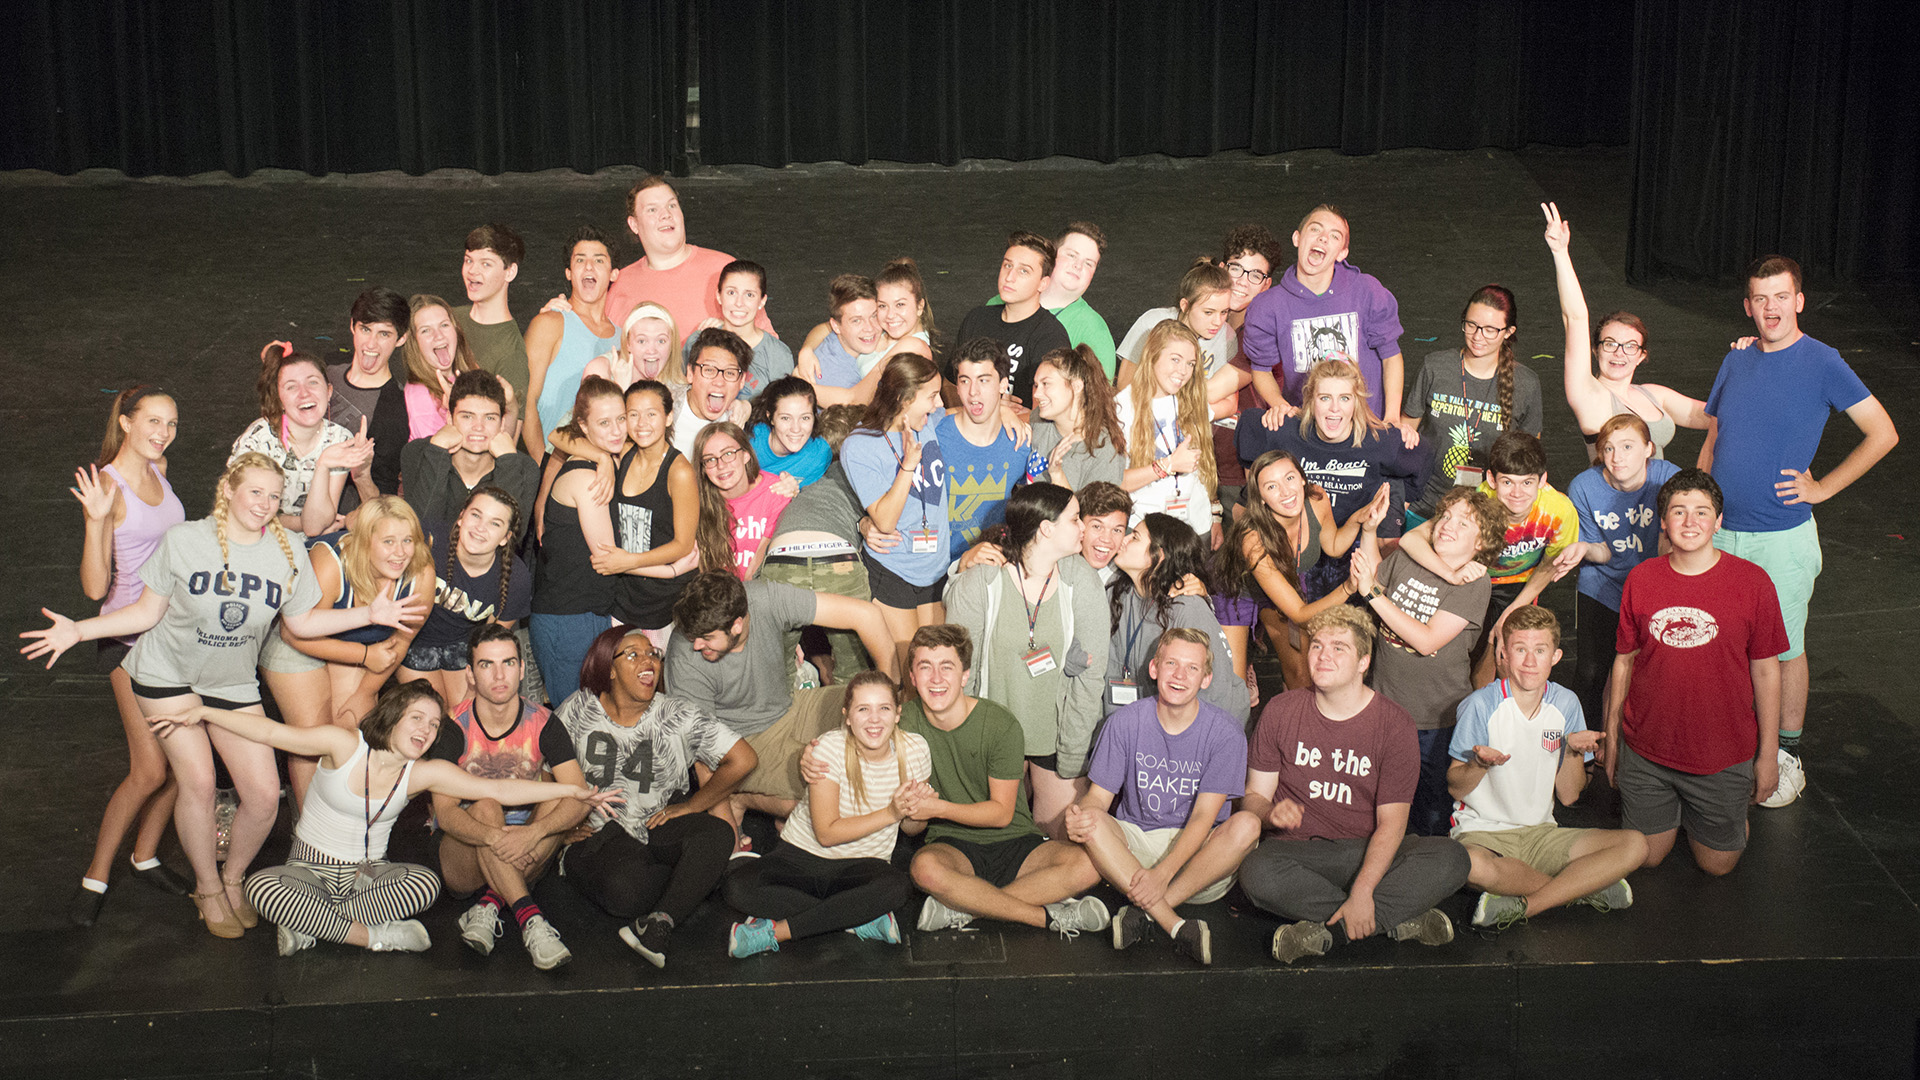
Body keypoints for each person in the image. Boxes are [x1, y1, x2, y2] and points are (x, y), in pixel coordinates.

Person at [22, 453, 424, 938]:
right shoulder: (185, 541)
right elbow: (146, 613)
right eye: (255, 491)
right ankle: (208, 886)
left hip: (231, 683)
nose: (264, 503)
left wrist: (369, 616)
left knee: (262, 795)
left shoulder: (290, 549)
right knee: (199, 781)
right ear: (229, 490)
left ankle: (234, 877)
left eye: (274, 496)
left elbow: (301, 624)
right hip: (166, 676)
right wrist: (79, 632)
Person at [145, 680, 617, 956]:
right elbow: (272, 731)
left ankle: (313, 926)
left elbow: (496, 789)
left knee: (425, 886)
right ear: (392, 716)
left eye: (433, 725)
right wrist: (204, 712)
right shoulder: (343, 744)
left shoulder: (423, 773)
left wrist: (571, 789)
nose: (425, 730)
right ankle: (373, 937)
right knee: (262, 888)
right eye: (417, 718)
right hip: (307, 870)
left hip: (367, 877)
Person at [1698, 254, 1899, 805]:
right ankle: (1732, 745)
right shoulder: (1736, 359)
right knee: (1717, 643)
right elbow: (1715, 437)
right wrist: (1694, 511)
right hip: (1719, 533)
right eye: (1760, 299)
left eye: (1781, 297)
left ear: (1799, 300)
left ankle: (1785, 754)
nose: (1770, 309)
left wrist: (1823, 489)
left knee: (1784, 649)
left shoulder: (1824, 361)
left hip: (1780, 536)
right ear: (1748, 306)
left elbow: (1883, 433)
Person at [1239, 607, 1470, 964]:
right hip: (1299, 855)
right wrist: (1269, 814)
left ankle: (1329, 933)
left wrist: (1363, 889)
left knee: (1452, 858)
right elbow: (1254, 797)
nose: (1323, 656)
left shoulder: (1394, 723)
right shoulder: (1281, 710)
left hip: (1367, 850)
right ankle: (1395, 918)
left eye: (1338, 648)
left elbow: (1392, 823)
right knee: (1255, 873)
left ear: (1364, 661)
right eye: (1316, 646)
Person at [851, 626, 1107, 938]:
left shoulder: (1000, 724)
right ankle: (1043, 917)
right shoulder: (902, 722)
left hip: (1014, 841)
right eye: (925, 667)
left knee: (1089, 865)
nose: (936, 678)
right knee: (924, 868)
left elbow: (1001, 814)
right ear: (912, 677)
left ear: (964, 676)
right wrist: (815, 754)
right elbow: (856, 738)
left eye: (947, 667)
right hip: (953, 846)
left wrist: (938, 807)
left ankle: (963, 906)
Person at [1607, 469, 1789, 875]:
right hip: (1648, 751)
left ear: (1719, 520)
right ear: (1664, 521)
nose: (1690, 523)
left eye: (1702, 512)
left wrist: (1768, 755)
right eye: (1679, 512)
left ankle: (1714, 809)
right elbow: (1624, 661)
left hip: (1720, 754)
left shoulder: (1753, 583)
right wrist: (1614, 737)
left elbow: (1766, 671)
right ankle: (1674, 808)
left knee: (1717, 866)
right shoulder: (1642, 578)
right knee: (1647, 858)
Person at [556, 628, 753, 968]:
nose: (648, 660)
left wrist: (693, 805)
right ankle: (692, 881)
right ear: (610, 667)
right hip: (601, 838)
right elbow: (547, 772)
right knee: (626, 893)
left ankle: (660, 920)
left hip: (656, 826)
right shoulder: (578, 708)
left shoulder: (677, 714)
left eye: (653, 654)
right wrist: (558, 829)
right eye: (633, 653)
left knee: (718, 833)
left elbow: (744, 759)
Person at [68, 387, 191, 927]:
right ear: (125, 422)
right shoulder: (108, 488)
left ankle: (145, 855)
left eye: (170, 422)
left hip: (176, 636)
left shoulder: (158, 467)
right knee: (150, 769)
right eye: (152, 421)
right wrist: (96, 521)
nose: (162, 432)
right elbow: (96, 588)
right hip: (127, 640)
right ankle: (94, 878)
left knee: (188, 770)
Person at [1066, 628, 1260, 965]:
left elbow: (1203, 819)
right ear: (1154, 668)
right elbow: (1098, 797)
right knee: (1092, 819)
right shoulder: (1125, 722)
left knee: (1247, 825)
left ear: (1206, 678)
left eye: (1192, 668)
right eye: (1171, 663)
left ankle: (1149, 911)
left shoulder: (1226, 732)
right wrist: (1080, 816)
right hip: (1135, 854)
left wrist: (1163, 876)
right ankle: (1174, 924)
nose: (1179, 675)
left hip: (1196, 864)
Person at [1449, 607, 1645, 930]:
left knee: (1636, 844)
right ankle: (1580, 888)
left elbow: (1568, 796)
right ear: (1504, 654)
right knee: (1469, 865)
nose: (1529, 661)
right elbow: (1455, 787)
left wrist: (1570, 750)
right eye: (1520, 649)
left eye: (1539, 651)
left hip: (1541, 834)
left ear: (1555, 656)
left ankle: (1527, 904)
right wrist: (1479, 764)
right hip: (1484, 834)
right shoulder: (1479, 705)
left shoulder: (1566, 704)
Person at [664, 572, 897, 841]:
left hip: (793, 707)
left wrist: (893, 692)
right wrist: (727, 833)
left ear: (737, 624)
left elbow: (867, 615)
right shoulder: (685, 657)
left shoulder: (762, 598)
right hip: (745, 744)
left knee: (874, 711)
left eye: (706, 637)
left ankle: (788, 816)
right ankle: (743, 798)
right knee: (835, 803)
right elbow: (704, 762)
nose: (696, 645)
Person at [724, 671, 932, 957]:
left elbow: (912, 830)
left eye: (883, 708)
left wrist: (918, 810)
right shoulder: (829, 748)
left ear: (897, 714)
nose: (874, 719)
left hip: (864, 863)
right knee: (737, 886)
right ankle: (856, 916)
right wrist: (891, 812)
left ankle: (776, 931)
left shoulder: (916, 750)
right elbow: (827, 834)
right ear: (847, 715)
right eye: (863, 709)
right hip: (801, 856)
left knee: (896, 888)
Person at [943, 483, 1105, 839]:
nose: (1084, 528)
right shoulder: (981, 580)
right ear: (1046, 529)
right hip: (994, 735)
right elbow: (958, 673)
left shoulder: (1083, 581)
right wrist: (968, 745)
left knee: (1059, 838)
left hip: (1055, 734)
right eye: (1076, 519)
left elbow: (1089, 680)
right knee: (1000, 837)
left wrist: (1073, 756)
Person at [430, 624, 592, 969]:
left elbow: (578, 796)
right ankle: (530, 918)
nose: (499, 674)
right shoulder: (452, 725)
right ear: (471, 674)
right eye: (487, 664)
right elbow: (445, 812)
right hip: (465, 850)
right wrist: (497, 838)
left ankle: (490, 904)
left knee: (559, 795)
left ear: (522, 669)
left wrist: (531, 833)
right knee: (486, 805)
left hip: (526, 845)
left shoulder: (544, 721)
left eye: (507, 662)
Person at [1349, 486, 1504, 836]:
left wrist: (1370, 593)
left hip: (1434, 718)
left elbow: (1426, 640)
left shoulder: (1473, 582)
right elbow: (1376, 580)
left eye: (1464, 523)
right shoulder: (1412, 558)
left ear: (1481, 543)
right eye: (1446, 516)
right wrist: (1370, 532)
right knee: (1383, 796)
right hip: (1385, 704)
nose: (1448, 525)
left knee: (1430, 807)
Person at [1399, 431, 1580, 686]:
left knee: (1505, 647)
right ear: (1491, 479)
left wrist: (1512, 609)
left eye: (1527, 483)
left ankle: (1498, 706)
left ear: (1542, 480)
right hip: (1473, 577)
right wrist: (1449, 574)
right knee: (1463, 647)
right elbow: (1410, 539)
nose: (1517, 493)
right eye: (1507, 482)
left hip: (1520, 585)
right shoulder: (1478, 502)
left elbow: (1548, 568)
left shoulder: (1559, 511)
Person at [1236, 359, 1428, 598]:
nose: (1334, 408)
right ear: (1310, 400)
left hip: (1349, 548)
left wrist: (1402, 503)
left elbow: (1422, 460)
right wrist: (1258, 490)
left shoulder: (1380, 442)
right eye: (1325, 398)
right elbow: (1248, 431)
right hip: (1301, 548)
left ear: (1356, 402)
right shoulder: (1287, 431)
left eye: (1345, 398)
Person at [1542, 202, 1706, 460]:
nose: (1620, 353)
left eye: (1630, 346)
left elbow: (1713, 415)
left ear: (1641, 355)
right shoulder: (1589, 394)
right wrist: (1560, 252)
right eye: (1610, 344)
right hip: (1617, 500)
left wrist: (1751, 357)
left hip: (1659, 499)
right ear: (1596, 351)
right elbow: (1575, 317)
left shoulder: (1653, 394)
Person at [1214, 449, 1382, 690]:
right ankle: (1246, 657)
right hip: (1237, 592)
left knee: (1302, 676)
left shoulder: (1316, 498)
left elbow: (1333, 545)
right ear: (1260, 498)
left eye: (1290, 478)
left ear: (1303, 478)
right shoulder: (1253, 539)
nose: (1285, 492)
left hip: (1286, 585)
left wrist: (1359, 518)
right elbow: (1300, 614)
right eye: (1271, 487)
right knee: (1233, 689)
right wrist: (1348, 587)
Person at [1242, 206, 1407, 430]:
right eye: (1315, 229)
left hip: (1367, 430)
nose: (1323, 238)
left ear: (1342, 253)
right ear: (1297, 238)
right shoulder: (1267, 306)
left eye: (1334, 235)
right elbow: (1261, 370)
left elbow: (1391, 356)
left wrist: (1392, 417)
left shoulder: (1366, 290)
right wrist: (1281, 405)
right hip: (1307, 432)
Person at [1563, 414, 1679, 733]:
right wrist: (1582, 550)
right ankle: (1584, 748)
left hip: (1653, 584)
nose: (1617, 457)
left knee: (1649, 673)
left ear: (1648, 449)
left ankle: (1635, 743)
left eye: (1628, 446)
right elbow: (1601, 551)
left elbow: (1674, 544)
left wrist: (1654, 590)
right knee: (1590, 672)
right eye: (1609, 449)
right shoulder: (1584, 487)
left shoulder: (1669, 479)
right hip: (1602, 583)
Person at [282, 496, 438, 731]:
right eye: (388, 541)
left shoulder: (421, 574)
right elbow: (292, 634)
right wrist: (365, 655)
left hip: (353, 648)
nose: (400, 553)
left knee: (353, 727)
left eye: (408, 540)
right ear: (365, 541)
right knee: (316, 735)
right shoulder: (329, 564)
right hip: (294, 641)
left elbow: (402, 639)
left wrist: (366, 691)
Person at [841, 355, 950, 657]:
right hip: (894, 570)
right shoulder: (859, 445)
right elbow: (886, 521)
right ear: (904, 399)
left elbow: (968, 414)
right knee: (907, 672)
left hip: (935, 568)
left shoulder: (928, 422)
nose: (938, 404)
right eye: (931, 396)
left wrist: (1005, 413)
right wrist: (908, 467)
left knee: (935, 664)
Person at [1404, 284, 1544, 518]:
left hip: (1487, 512)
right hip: (1424, 505)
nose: (1478, 336)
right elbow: (1406, 432)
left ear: (1508, 332)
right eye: (1471, 325)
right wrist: (1402, 497)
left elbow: (1528, 456)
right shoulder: (1435, 366)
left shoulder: (1526, 383)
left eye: (1490, 329)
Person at [760, 406, 875, 686]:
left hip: (781, 559)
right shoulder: (860, 470)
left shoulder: (792, 475)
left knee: (776, 674)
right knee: (854, 674)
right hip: (836, 557)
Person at [529, 377, 625, 706]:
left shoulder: (606, 459)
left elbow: (561, 436)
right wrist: (672, 567)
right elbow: (607, 557)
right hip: (568, 619)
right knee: (574, 724)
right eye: (604, 422)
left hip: (587, 612)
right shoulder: (587, 478)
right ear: (583, 425)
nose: (616, 430)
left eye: (621, 419)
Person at [1106, 514, 1248, 724]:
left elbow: (1216, 691)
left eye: (1134, 537)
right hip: (1138, 722)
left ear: (1159, 555)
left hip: (1202, 730)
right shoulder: (1118, 592)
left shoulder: (1186, 607)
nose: (1123, 540)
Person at [400, 486, 532, 706]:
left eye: (495, 523)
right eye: (476, 515)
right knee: (432, 713)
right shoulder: (428, 538)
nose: (481, 528)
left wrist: (474, 690)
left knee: (465, 715)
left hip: (461, 647)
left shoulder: (516, 578)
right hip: (412, 639)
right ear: (461, 516)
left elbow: (491, 640)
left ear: (505, 538)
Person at [589, 380, 700, 641]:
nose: (641, 424)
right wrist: (602, 458)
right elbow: (559, 435)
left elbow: (683, 545)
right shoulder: (623, 451)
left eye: (651, 414)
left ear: (669, 417)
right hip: (625, 594)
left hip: (665, 600)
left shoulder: (679, 471)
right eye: (633, 415)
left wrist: (630, 561)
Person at [603, 175, 773, 334]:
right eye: (652, 209)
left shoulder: (724, 269)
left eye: (672, 205)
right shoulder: (621, 284)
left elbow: (768, 349)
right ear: (634, 224)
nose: (666, 215)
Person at [234, 343, 373, 536]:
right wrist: (299, 523)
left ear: (329, 391)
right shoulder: (258, 438)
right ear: (279, 399)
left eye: (313, 382)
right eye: (291, 387)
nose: (304, 393)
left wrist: (324, 464)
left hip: (308, 543)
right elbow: (239, 511)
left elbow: (316, 525)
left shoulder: (340, 439)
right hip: (257, 537)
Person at [399, 369, 539, 543]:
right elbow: (421, 531)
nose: (478, 427)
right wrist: (437, 453)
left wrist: (508, 463)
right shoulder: (418, 453)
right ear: (450, 419)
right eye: (467, 416)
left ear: (502, 423)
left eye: (489, 418)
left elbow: (511, 540)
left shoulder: (524, 468)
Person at [524, 226, 620, 460]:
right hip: (551, 466)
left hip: (602, 473)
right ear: (569, 272)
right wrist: (542, 468)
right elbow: (524, 401)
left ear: (613, 274)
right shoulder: (549, 323)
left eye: (598, 260)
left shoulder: (623, 338)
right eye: (580, 260)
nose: (588, 267)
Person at [1118, 320, 1216, 539]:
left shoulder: (1193, 401)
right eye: (1175, 360)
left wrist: (1215, 513)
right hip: (1146, 531)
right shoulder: (1122, 408)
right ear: (1153, 356)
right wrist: (1168, 465)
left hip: (1196, 529)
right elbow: (1115, 481)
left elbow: (1203, 467)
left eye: (1190, 364)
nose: (1183, 371)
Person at [955, 231, 1073, 407]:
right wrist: (984, 407)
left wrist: (1008, 415)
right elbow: (949, 383)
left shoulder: (1051, 337)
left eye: (1023, 271)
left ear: (1043, 283)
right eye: (1007, 266)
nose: (1009, 277)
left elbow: (1048, 413)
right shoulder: (976, 318)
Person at [938, 339, 1027, 559]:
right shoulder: (934, 433)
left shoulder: (1020, 441)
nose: (973, 392)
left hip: (989, 569)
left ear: (1003, 384)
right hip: (932, 568)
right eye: (965, 381)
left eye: (983, 380)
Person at [1116, 258, 1243, 410]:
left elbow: (1229, 404)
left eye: (1224, 312)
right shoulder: (1152, 323)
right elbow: (1124, 385)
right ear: (1185, 305)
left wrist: (1183, 417)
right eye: (1208, 312)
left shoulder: (1226, 336)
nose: (1218, 321)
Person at [323, 287, 413, 497]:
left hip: (341, 515)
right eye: (365, 329)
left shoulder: (393, 409)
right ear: (352, 326)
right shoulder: (327, 373)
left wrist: (361, 474)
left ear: (401, 339)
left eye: (384, 334)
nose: (371, 343)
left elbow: (383, 498)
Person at [796, 257, 937, 385]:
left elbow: (856, 398)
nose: (890, 315)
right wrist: (806, 350)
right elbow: (828, 326)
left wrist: (802, 385)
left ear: (920, 306)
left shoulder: (913, 347)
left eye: (900, 304)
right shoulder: (885, 328)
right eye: (882, 306)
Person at [693, 420, 793, 580]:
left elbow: (757, 568)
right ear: (703, 469)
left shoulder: (776, 491)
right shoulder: (699, 502)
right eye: (710, 459)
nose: (721, 465)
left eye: (728, 454)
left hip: (760, 591)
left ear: (746, 455)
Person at [452, 223, 531, 409]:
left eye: (486, 263)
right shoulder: (448, 320)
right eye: (468, 260)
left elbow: (509, 432)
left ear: (510, 272)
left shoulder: (511, 352)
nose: (472, 271)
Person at [688, 259, 792, 401]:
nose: (739, 303)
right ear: (719, 296)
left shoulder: (777, 354)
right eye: (731, 292)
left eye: (749, 295)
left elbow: (781, 408)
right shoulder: (698, 340)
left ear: (762, 301)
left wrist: (748, 408)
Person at [1026, 345, 1126, 491]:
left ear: (1076, 386)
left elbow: (1092, 514)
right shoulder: (1039, 420)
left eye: (1046, 384)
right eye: (1036, 385)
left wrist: (1057, 475)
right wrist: (1006, 413)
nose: (1037, 394)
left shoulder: (1104, 451)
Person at [400, 294, 485, 440]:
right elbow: (442, 457)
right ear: (414, 343)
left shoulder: (471, 373)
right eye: (426, 330)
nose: (438, 336)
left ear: (456, 330)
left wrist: (512, 405)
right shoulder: (420, 398)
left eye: (444, 325)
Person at [797, 274, 888, 407]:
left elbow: (824, 327)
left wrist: (807, 348)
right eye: (856, 320)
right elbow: (855, 403)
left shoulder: (882, 332)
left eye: (874, 316)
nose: (870, 328)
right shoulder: (828, 376)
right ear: (836, 326)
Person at [669, 328, 755, 460]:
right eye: (709, 370)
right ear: (690, 373)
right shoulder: (664, 406)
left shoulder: (738, 422)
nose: (719, 382)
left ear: (742, 380)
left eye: (730, 373)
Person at [747, 376, 832, 488]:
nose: (796, 429)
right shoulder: (750, 442)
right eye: (785, 418)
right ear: (771, 418)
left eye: (805, 418)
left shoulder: (819, 455)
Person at [585, 302, 684, 391]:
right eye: (642, 341)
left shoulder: (675, 384)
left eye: (661, 341)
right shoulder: (600, 371)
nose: (652, 351)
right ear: (628, 343)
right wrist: (620, 388)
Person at [1076, 481, 1131, 585]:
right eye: (1097, 527)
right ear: (1079, 525)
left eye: (1117, 530)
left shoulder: (1124, 580)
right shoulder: (1057, 569)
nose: (1106, 539)